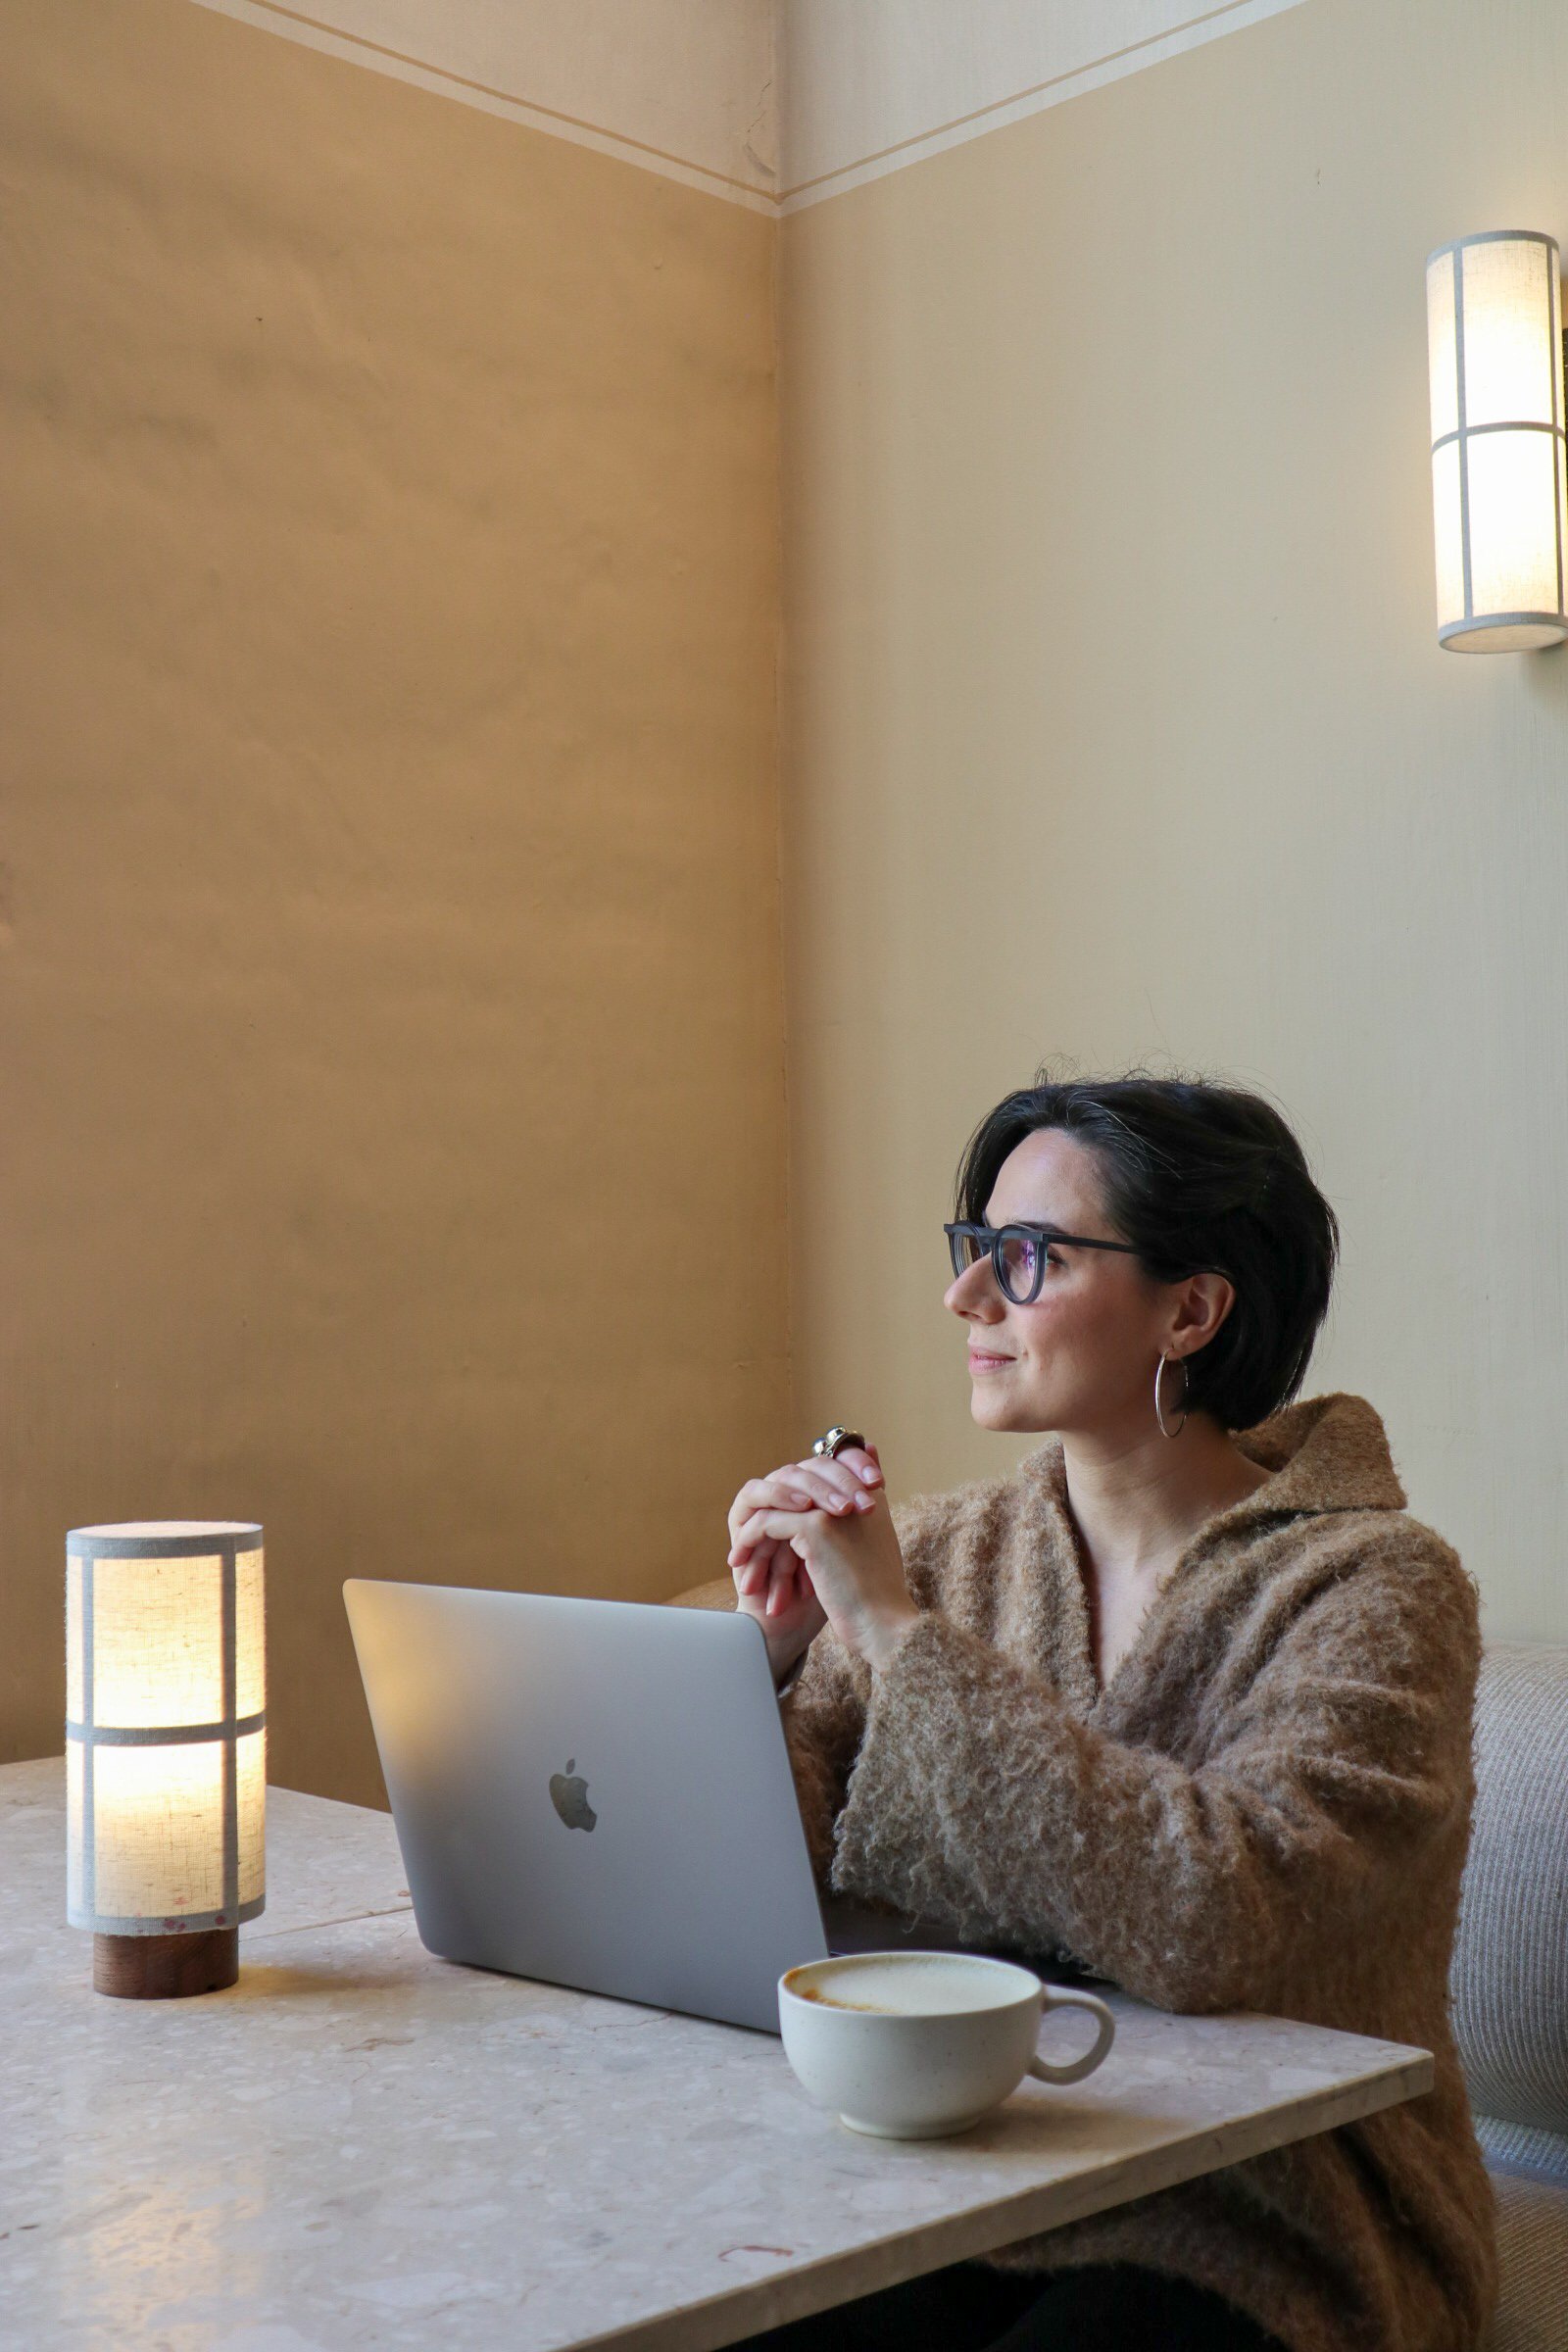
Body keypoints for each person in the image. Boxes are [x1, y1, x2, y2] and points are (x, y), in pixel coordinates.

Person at [722, 1070, 1495, 2352]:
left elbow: (1217, 1918)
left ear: (1189, 1310)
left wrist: (894, 1633)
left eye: (1024, 1257)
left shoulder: (1379, 1588)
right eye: (975, 1250)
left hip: (1281, 2208)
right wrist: (764, 1663)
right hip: (965, 2159)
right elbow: (780, 1896)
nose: (965, 1298)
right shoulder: (945, 1549)